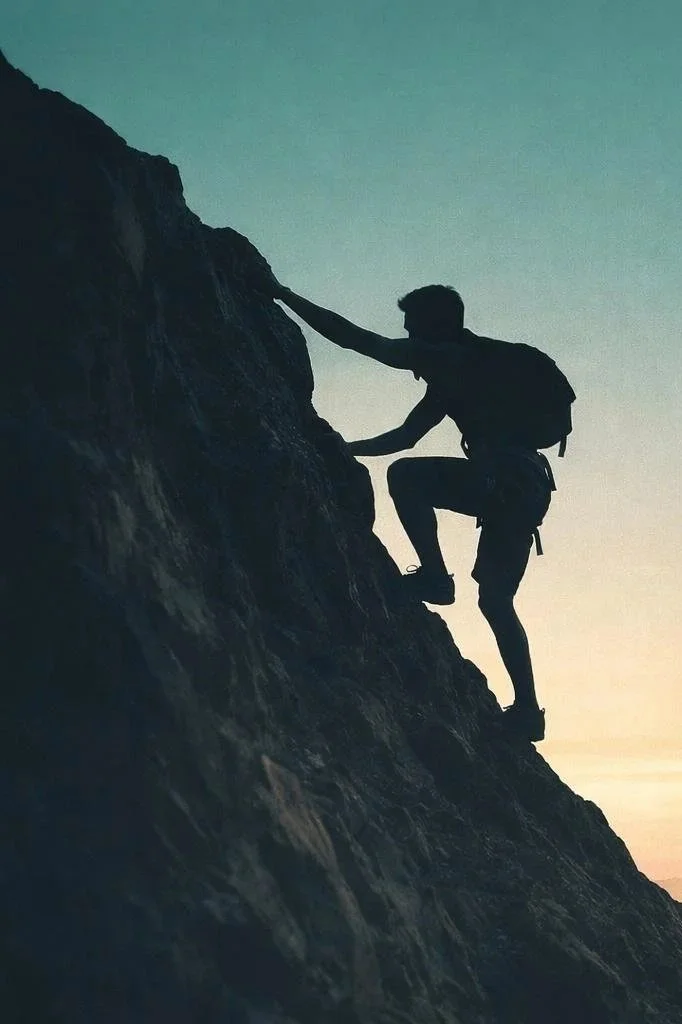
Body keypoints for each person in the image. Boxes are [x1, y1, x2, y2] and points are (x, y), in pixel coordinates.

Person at [265, 277, 570, 743]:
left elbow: (358, 341)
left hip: (500, 479)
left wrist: (283, 294)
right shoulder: (465, 371)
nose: (407, 339)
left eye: (412, 329)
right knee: (495, 601)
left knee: (407, 477)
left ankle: (433, 576)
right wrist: (345, 448)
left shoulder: (446, 359)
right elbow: (405, 436)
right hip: (528, 489)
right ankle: (528, 710)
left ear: (435, 326)